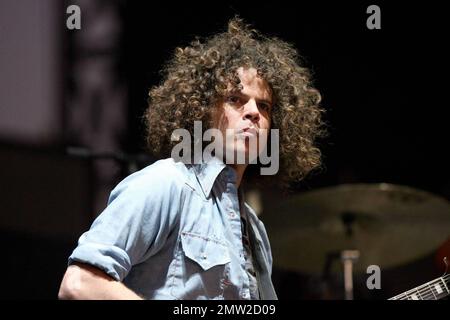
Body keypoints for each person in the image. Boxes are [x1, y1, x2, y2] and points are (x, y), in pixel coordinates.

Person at [58, 17, 324, 300]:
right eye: (235, 99)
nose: (253, 112)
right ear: (202, 110)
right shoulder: (165, 184)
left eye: (264, 105)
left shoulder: (255, 232)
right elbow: (80, 283)